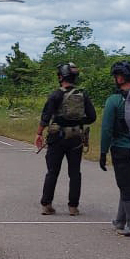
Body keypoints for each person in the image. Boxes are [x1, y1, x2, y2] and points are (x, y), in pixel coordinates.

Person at [35, 62, 97, 215]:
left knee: (52, 171)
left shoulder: (56, 94)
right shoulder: (83, 95)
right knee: (75, 173)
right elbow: (92, 117)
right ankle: (73, 207)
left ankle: (46, 204)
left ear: (61, 77)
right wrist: (77, 122)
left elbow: (46, 116)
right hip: (75, 138)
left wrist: (39, 133)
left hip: (56, 138)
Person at [99, 61, 130, 237]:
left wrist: (102, 151)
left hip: (121, 149)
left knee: (126, 186)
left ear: (120, 77)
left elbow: (107, 129)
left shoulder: (114, 100)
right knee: (126, 184)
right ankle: (120, 220)